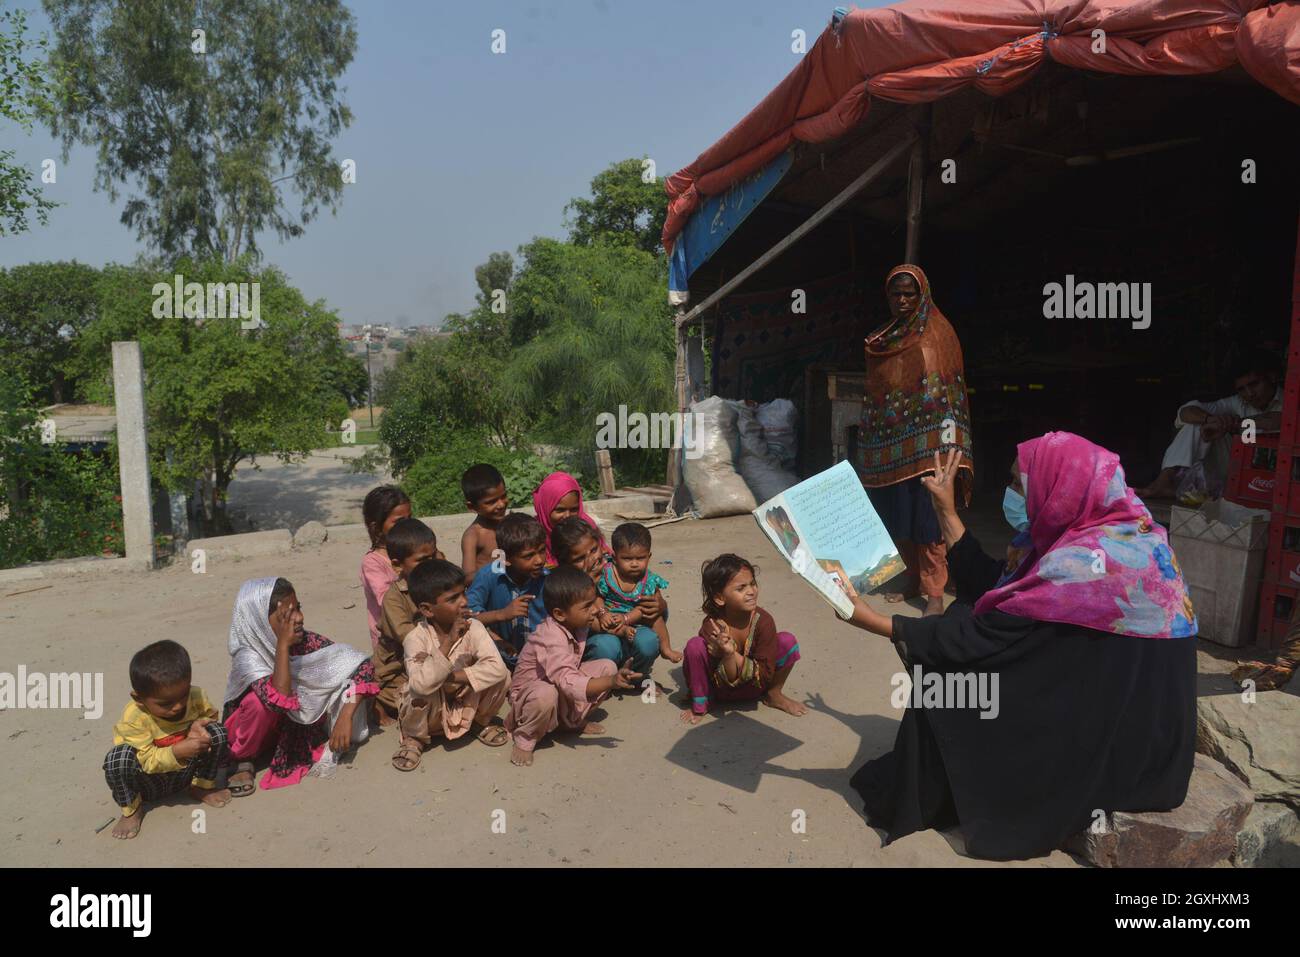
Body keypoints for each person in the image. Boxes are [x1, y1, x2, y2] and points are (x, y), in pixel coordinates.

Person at [840, 436, 1198, 860]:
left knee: (947, 673)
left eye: (1019, 482)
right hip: (1145, 736)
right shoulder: (1133, 535)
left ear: (1061, 487)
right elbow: (1000, 585)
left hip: (1120, 747)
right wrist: (945, 508)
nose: (1011, 492)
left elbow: (984, 637)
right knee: (965, 612)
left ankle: (939, 791)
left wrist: (873, 621)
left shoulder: (1083, 567)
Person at [856, 264, 973, 618]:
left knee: (928, 521)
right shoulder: (883, 338)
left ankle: (934, 592)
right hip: (894, 442)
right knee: (899, 516)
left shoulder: (938, 333)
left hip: (931, 443)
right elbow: (879, 391)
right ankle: (911, 579)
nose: (903, 300)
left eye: (910, 294)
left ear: (922, 295)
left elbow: (946, 390)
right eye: (897, 294)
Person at [223, 578, 378, 793]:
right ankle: (243, 760)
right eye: (287, 615)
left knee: (344, 690)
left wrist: (345, 715)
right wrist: (283, 647)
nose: (299, 618)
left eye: (298, 609)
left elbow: (360, 665)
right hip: (249, 732)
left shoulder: (305, 641)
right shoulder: (249, 657)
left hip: (289, 728)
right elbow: (279, 701)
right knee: (259, 704)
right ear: (259, 621)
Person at [504, 565, 641, 767]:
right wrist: (611, 682)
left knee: (607, 667)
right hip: (531, 696)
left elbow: (568, 677)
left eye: (593, 602)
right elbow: (567, 682)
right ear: (560, 614)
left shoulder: (575, 622)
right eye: (587, 606)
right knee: (546, 693)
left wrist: (621, 627)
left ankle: (570, 722)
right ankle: (526, 736)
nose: (595, 609)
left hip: (559, 686)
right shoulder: (551, 636)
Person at [103, 640, 231, 839]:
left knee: (217, 731)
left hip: (185, 773)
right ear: (139, 699)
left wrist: (199, 727)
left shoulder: (196, 696)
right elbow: (146, 760)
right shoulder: (134, 717)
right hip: (149, 782)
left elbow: (210, 716)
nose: (178, 706)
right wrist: (178, 750)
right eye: (165, 703)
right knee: (117, 758)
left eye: (183, 696)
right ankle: (132, 809)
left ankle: (201, 787)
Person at [392, 560, 511, 771]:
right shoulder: (415, 638)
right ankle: (414, 738)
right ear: (428, 610)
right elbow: (420, 686)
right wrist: (447, 644)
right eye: (453, 598)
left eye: (463, 593)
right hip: (430, 711)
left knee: (504, 677)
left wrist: (450, 676)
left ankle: (479, 721)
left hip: (462, 697)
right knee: (418, 691)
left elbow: (497, 668)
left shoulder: (473, 626)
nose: (464, 601)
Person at [1136, 352, 1282, 500]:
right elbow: (1185, 411)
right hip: (1236, 470)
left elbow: (1279, 420)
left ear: (1272, 377)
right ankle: (1163, 482)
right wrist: (1212, 420)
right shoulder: (1237, 402)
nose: (1249, 394)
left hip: (1275, 474)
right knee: (1196, 425)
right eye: (1242, 389)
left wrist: (1232, 423)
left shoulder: (1289, 398)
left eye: (1254, 384)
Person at [678, 553, 803, 725]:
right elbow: (726, 679)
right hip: (720, 690)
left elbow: (765, 676)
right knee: (695, 646)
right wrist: (726, 656)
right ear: (720, 598)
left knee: (787, 641)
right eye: (741, 588)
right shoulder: (712, 625)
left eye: (752, 584)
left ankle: (774, 694)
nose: (751, 591)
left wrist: (731, 654)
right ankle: (702, 703)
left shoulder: (764, 621)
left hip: (755, 687)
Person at [552, 516, 664, 684]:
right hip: (600, 634)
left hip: (630, 626)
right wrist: (619, 626)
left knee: (648, 641)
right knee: (607, 646)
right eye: (579, 559)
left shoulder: (617, 567)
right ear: (565, 563)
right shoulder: (570, 587)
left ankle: (635, 677)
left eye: (594, 550)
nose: (591, 560)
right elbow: (592, 624)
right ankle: (603, 682)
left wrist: (660, 605)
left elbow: (649, 593)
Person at [373, 518, 440, 722]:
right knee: (424, 702)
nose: (431, 565)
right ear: (397, 565)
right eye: (422, 560)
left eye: (433, 557)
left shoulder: (437, 584)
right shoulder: (394, 598)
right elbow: (408, 637)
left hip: (433, 657)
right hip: (398, 670)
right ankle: (379, 700)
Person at [466, 512, 549, 668]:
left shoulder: (548, 579)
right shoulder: (488, 576)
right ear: (506, 559)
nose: (539, 560)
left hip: (542, 658)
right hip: (501, 658)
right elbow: (466, 619)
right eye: (528, 556)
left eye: (542, 551)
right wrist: (501, 615)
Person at [597, 522, 679, 666]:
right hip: (611, 619)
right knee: (606, 647)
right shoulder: (607, 574)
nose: (634, 564)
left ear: (649, 556)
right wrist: (603, 613)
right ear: (615, 558)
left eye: (640, 558)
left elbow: (646, 608)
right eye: (627, 559)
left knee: (656, 619)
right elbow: (598, 597)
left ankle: (665, 649)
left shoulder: (648, 581)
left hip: (638, 618)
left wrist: (627, 618)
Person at [532, 471, 608, 567]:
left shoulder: (587, 527)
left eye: (574, 509)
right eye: (560, 510)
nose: (567, 516)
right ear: (545, 508)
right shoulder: (534, 536)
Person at [460, 464, 510, 584]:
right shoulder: (474, 536)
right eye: (491, 502)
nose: (501, 504)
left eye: (503, 496)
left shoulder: (511, 523)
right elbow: (467, 578)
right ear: (471, 507)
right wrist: (498, 569)